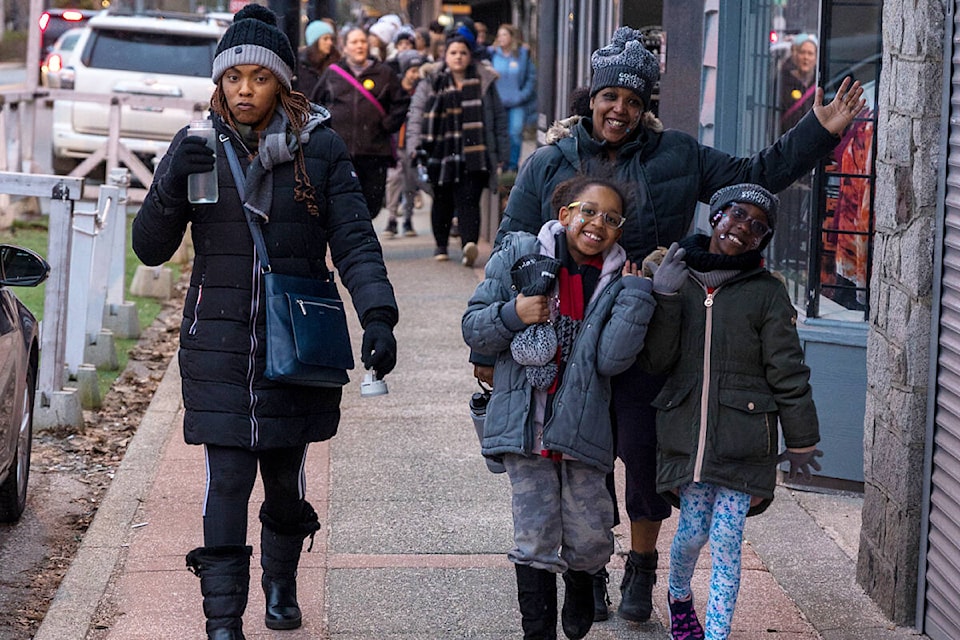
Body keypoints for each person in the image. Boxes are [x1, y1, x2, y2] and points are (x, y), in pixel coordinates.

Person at [484, 26, 864, 623]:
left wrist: (818, 131)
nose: (621, 110)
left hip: (651, 328)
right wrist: (502, 332)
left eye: (634, 101)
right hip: (564, 339)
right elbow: (509, 243)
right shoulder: (550, 163)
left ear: (646, 107)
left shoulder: (678, 154)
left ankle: (641, 568)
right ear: (592, 96)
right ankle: (591, 570)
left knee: (642, 452)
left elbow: (755, 173)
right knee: (579, 458)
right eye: (611, 97)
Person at [131, 6, 398, 638]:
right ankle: (222, 620)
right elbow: (150, 248)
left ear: (283, 83)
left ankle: (281, 582)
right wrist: (171, 176)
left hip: (295, 344)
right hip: (217, 342)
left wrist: (379, 317)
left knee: (282, 478)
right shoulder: (197, 148)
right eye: (233, 78)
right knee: (225, 479)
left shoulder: (322, 149)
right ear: (218, 83)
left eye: (258, 77)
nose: (244, 90)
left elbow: (356, 242)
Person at [462, 174, 677, 640]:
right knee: (535, 534)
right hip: (525, 428)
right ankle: (536, 631)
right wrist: (512, 314)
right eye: (589, 211)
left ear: (620, 230)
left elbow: (611, 359)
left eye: (611, 218)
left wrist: (639, 297)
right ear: (565, 216)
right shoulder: (520, 256)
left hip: (585, 430)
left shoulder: (620, 282)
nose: (597, 223)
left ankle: (582, 583)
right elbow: (474, 327)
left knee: (590, 534)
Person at [638, 183, 822, 639]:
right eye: (737, 215)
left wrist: (801, 439)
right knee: (691, 534)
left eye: (759, 227)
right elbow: (657, 360)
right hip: (687, 433)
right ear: (715, 216)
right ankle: (679, 595)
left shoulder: (767, 293)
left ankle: (716, 634)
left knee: (725, 540)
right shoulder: (677, 275)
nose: (744, 229)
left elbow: (788, 370)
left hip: (745, 439)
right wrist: (663, 298)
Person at [405, 31, 507, 266]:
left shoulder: (483, 80)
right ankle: (441, 245)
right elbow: (417, 117)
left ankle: (468, 245)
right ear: (445, 55)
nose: (458, 57)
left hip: (475, 153)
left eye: (463, 52)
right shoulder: (431, 81)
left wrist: (501, 153)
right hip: (439, 153)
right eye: (453, 53)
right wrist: (414, 147)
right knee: (442, 199)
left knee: (469, 200)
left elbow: (498, 119)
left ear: (470, 56)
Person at [310, 25, 410, 221]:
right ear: (345, 47)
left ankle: (362, 232)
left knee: (372, 204)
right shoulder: (333, 74)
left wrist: (388, 125)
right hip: (341, 152)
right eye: (354, 42)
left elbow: (401, 102)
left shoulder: (384, 73)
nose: (359, 46)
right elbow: (314, 105)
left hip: (374, 152)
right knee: (343, 202)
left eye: (363, 42)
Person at [383, 49, 425, 238]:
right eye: (412, 70)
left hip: (412, 144)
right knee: (393, 180)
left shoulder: (422, 90)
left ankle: (407, 220)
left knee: (410, 183)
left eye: (418, 70)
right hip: (394, 142)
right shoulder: (395, 89)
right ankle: (391, 219)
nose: (415, 74)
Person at [490, 23, 537, 172]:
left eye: (504, 35)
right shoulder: (492, 54)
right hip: (497, 102)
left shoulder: (522, 54)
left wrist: (523, 95)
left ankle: (512, 165)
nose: (501, 38)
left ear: (512, 37)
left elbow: (531, 77)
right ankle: (501, 163)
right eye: (499, 35)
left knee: (515, 133)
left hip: (517, 102)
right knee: (500, 134)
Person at [778, 33, 818, 133]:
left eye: (810, 53)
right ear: (796, 56)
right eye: (802, 52)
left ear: (816, 58)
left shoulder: (820, 84)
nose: (806, 57)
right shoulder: (782, 82)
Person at [294, 19, 339, 98]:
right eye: (325, 39)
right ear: (315, 41)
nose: (330, 43)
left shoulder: (336, 62)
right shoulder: (301, 64)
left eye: (331, 39)